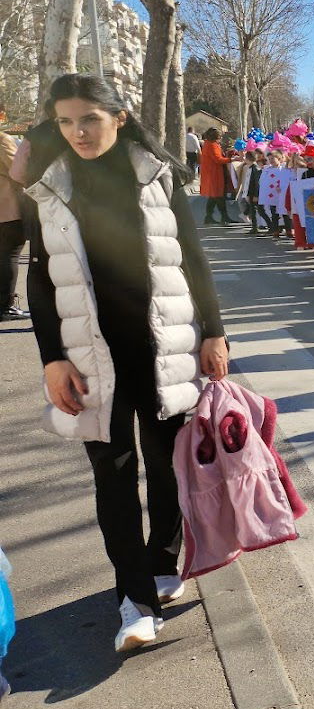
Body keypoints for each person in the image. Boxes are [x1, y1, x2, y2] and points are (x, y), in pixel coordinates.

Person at [23, 73, 228, 653]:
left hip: (163, 347)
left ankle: (164, 565)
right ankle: (132, 601)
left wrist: (214, 333)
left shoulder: (157, 175)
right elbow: (39, 280)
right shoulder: (49, 186)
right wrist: (51, 361)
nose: (78, 131)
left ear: (118, 116)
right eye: (66, 121)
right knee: (112, 480)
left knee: (166, 468)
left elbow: (193, 258)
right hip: (90, 359)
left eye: (89, 117)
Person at [0, 104, 29, 320]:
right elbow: (18, 171)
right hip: (7, 209)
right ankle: (6, 305)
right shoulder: (2, 139)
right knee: (9, 254)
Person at [198, 127, 237, 224]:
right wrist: (231, 159)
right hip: (214, 173)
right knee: (219, 196)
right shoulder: (212, 145)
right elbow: (218, 159)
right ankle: (224, 217)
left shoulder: (208, 144)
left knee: (214, 196)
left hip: (211, 173)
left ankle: (210, 217)